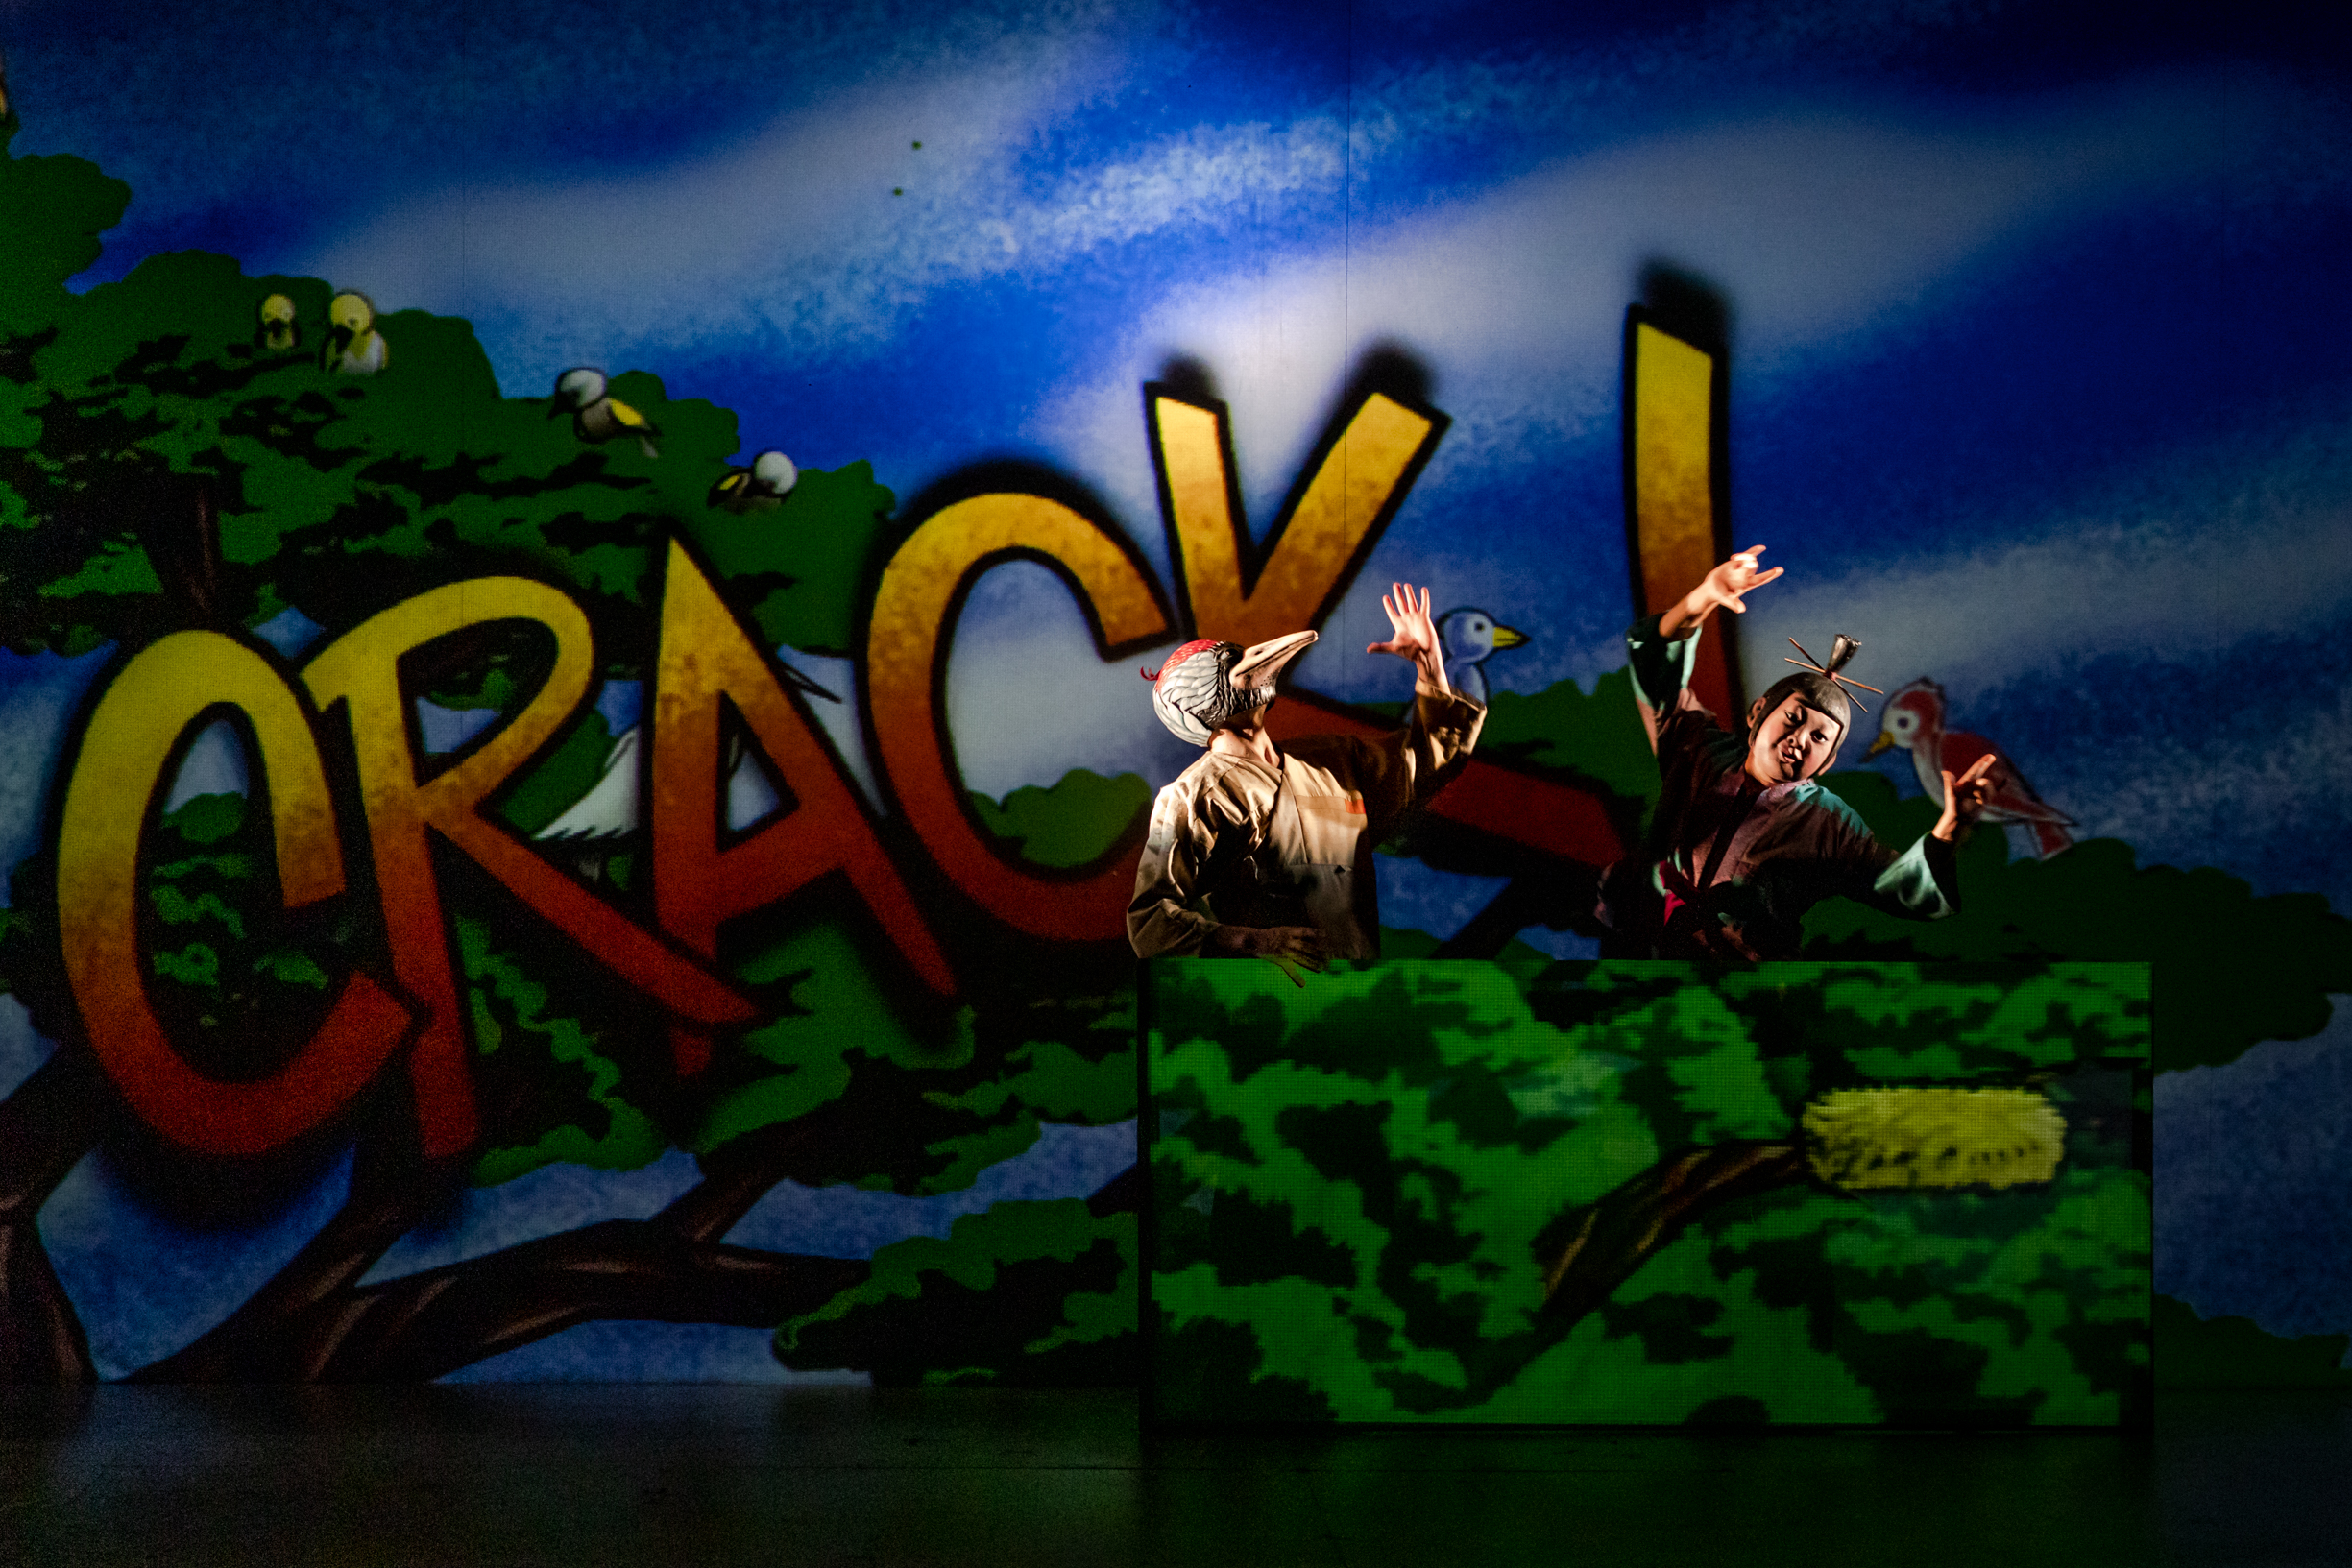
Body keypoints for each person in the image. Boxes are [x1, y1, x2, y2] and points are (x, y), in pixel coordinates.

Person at [1596, 544, 1996, 959]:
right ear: (1758, 713)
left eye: (1820, 738)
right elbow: (1657, 667)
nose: (1800, 739)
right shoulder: (1700, 751)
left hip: (1740, 982)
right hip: (1643, 957)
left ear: (1829, 762)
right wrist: (1703, 597)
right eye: (1793, 718)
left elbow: (1898, 885)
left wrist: (1951, 828)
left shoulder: (1830, 824)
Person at [1127, 583, 1484, 971]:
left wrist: (1430, 664)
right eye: (1229, 666)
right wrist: (1257, 942)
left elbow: (1432, 757)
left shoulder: (1333, 760)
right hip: (1267, 997)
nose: (1254, 659)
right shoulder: (1195, 795)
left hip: (1355, 988)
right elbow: (1151, 921)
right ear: (1197, 705)